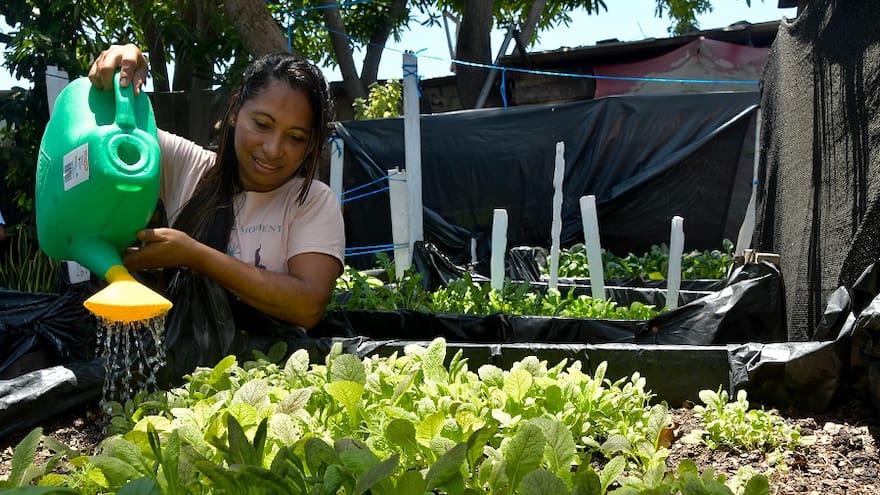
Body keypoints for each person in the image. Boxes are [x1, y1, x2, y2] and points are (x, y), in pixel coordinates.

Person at [88, 44, 344, 330]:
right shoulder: (188, 166)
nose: (273, 149)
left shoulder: (311, 201)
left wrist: (195, 255)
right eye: (261, 124)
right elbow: (106, 133)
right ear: (235, 110)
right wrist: (123, 62)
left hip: (271, 370)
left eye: (295, 137)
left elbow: (308, 306)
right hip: (186, 371)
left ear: (310, 145)